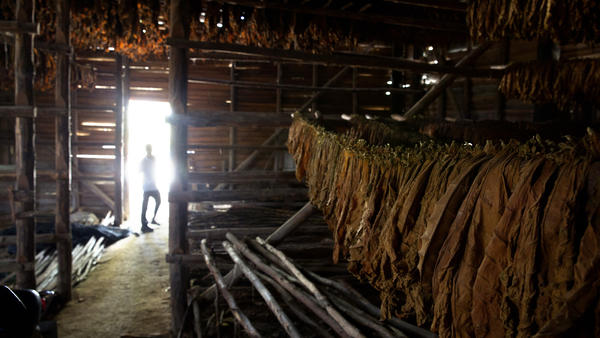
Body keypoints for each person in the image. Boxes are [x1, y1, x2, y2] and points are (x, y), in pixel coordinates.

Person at [140, 144, 160, 233]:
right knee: (145, 205)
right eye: (148, 149)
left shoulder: (154, 158)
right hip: (146, 186)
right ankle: (144, 225)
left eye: (150, 149)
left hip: (153, 185)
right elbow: (139, 170)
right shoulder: (143, 161)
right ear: (146, 150)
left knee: (158, 200)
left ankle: (153, 218)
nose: (149, 150)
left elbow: (155, 168)